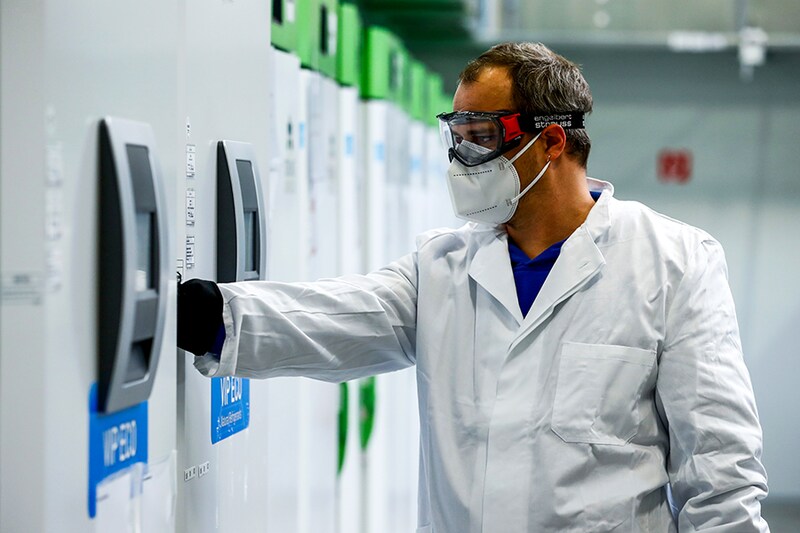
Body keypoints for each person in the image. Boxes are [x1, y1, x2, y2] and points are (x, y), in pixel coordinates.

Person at [178, 42, 769, 532]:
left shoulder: (674, 264)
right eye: (455, 133)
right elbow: (337, 317)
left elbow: (721, 476)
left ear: (553, 142)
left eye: (481, 134)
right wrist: (208, 315)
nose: (461, 158)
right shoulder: (444, 266)